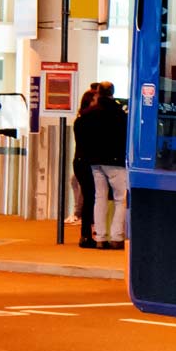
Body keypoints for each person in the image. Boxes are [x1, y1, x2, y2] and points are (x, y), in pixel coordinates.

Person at [86, 83, 129, 250]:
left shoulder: (90, 114)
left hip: (95, 161)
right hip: (115, 161)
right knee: (120, 199)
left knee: (100, 198)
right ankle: (116, 236)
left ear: (99, 93)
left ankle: (100, 237)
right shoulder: (120, 114)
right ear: (113, 93)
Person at [71, 84, 105, 249]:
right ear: (91, 101)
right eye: (97, 99)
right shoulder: (91, 120)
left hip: (79, 161)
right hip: (86, 162)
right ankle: (86, 234)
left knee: (88, 197)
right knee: (90, 197)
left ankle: (86, 234)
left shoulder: (79, 120)